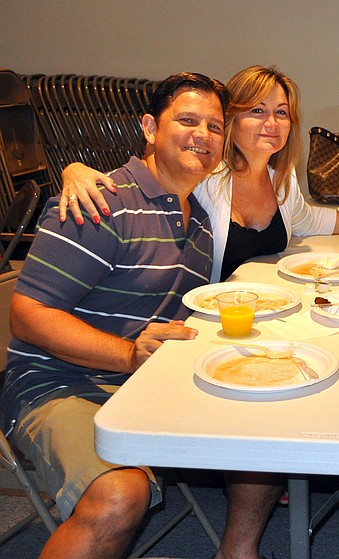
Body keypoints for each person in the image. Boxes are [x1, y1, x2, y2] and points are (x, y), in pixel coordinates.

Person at [0, 73, 228, 559]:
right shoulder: (101, 203)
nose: (203, 135)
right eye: (188, 120)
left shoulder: (201, 219)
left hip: (143, 382)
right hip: (59, 383)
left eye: (214, 126)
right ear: (149, 127)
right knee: (119, 496)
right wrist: (128, 354)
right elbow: (27, 314)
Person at [60, 65, 339, 283]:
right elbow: (151, 176)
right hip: (203, 320)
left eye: (282, 113)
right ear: (231, 118)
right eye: (257, 110)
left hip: (259, 311)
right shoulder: (205, 173)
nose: (272, 123)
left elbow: (310, 219)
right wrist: (74, 170)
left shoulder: (281, 177)